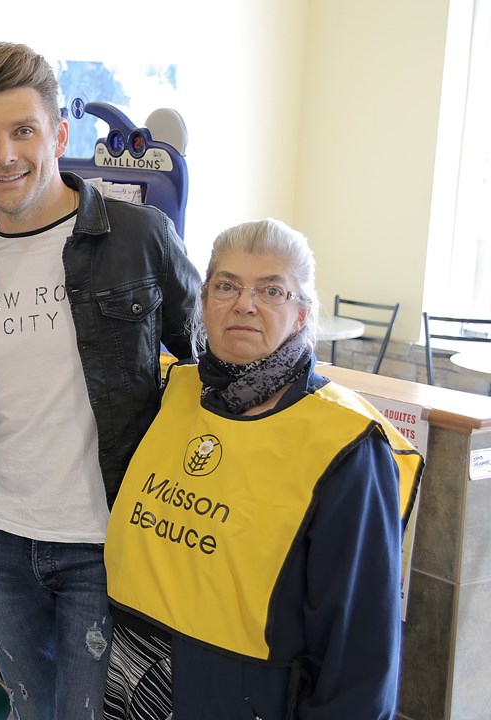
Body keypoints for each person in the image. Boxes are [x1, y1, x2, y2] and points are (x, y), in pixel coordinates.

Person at [0, 42, 202, 720]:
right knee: (28, 705)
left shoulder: (141, 237)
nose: (5, 153)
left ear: (58, 134)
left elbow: (204, 363)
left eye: (23, 130)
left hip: (107, 538)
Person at [102, 218, 422, 719]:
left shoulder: (346, 442)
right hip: (131, 673)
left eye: (272, 290)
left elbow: (360, 647)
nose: (244, 304)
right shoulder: (174, 392)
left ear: (300, 315)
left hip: (244, 694)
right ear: (204, 300)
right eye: (227, 285)